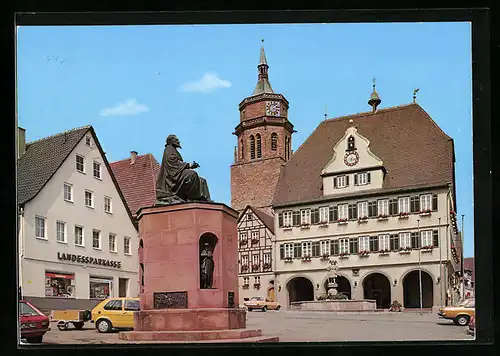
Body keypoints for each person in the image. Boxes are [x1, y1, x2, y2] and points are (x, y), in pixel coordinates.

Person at [156, 134, 211, 204]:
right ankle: (192, 198)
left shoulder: (173, 150)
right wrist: (189, 165)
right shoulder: (169, 148)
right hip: (172, 178)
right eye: (176, 140)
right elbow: (173, 163)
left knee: (202, 181)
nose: (178, 141)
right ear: (170, 141)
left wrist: (187, 166)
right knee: (192, 174)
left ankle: (206, 200)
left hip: (178, 174)